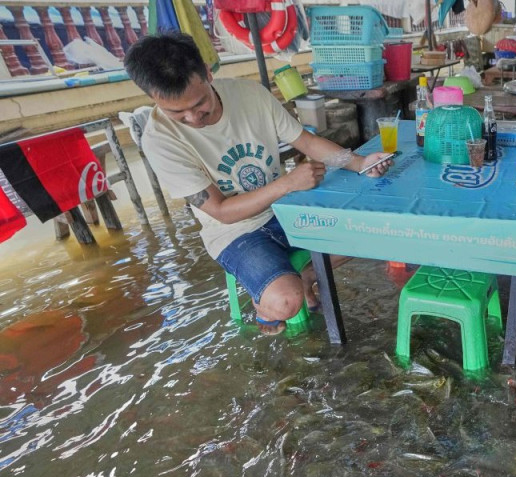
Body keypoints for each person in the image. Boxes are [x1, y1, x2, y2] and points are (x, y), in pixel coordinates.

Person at [124, 33, 393, 335]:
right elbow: (222, 212)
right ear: (153, 97)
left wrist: (360, 163)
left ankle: (305, 276)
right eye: (177, 112)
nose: (193, 118)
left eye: (200, 104)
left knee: (370, 232)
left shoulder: (251, 95)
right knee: (285, 303)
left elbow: (305, 141)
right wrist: (288, 184)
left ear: (208, 73)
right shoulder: (159, 140)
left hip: (283, 210)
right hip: (234, 233)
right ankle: (273, 300)